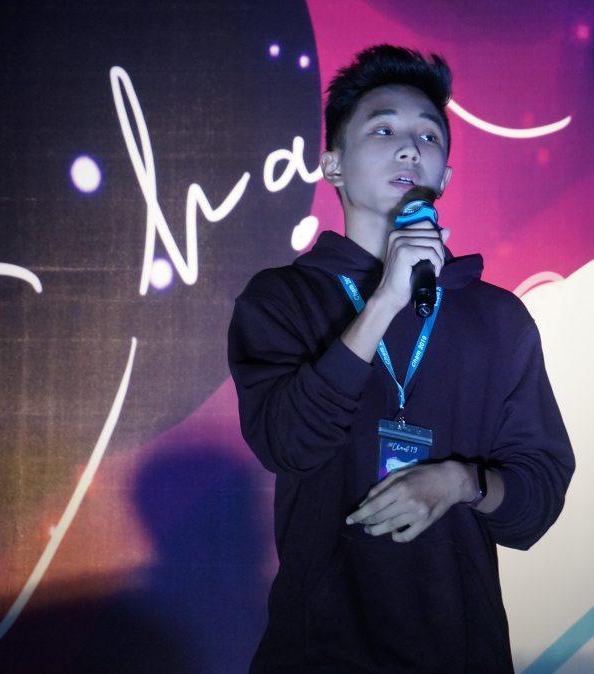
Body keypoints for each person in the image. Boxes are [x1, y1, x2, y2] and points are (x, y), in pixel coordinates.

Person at [227, 44, 575, 673]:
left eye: (428, 136)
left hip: (460, 651)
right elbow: (287, 443)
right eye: (383, 130)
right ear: (332, 165)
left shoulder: (497, 318)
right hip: (318, 653)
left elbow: (538, 499)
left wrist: (460, 483)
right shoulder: (281, 299)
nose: (410, 148)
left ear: (445, 176)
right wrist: (386, 298)